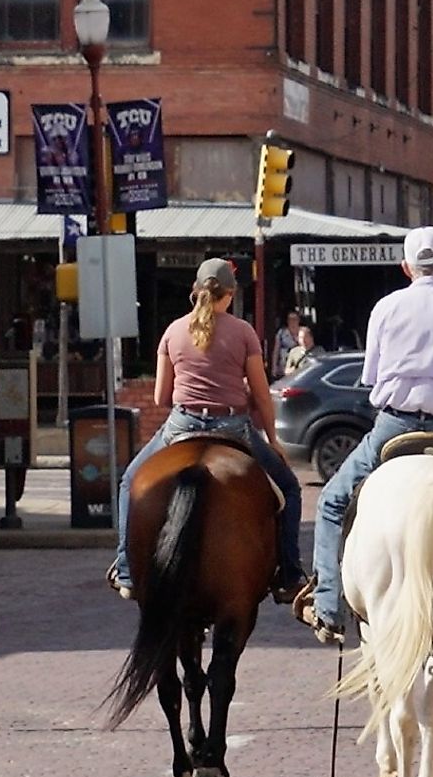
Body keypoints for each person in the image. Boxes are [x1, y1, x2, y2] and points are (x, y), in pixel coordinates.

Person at [299, 227, 433, 642]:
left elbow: (372, 377)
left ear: (406, 267)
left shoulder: (386, 308)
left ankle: (327, 605)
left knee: (331, 502)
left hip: (393, 429)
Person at [108, 258, 305, 602]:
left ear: (196, 291)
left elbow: (161, 396)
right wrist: (273, 440)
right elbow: (260, 393)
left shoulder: (173, 331)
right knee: (289, 488)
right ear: (229, 295)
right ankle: (289, 574)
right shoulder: (243, 332)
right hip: (233, 426)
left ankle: (126, 569)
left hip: (182, 423)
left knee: (129, 482)